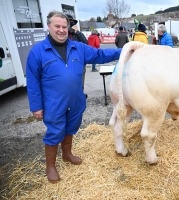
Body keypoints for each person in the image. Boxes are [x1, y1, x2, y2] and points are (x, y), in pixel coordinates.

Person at [26, 11, 122, 184]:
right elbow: (32, 81)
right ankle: (50, 166)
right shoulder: (38, 52)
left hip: (76, 100)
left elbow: (100, 55)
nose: (62, 30)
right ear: (49, 26)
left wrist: (124, 51)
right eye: (57, 26)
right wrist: (36, 106)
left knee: (71, 127)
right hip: (54, 102)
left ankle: (67, 154)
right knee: (55, 132)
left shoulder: (78, 47)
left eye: (64, 27)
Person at [67, 15, 89, 97]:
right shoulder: (63, 34)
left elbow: (86, 44)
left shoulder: (78, 34)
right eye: (69, 22)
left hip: (79, 61)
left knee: (80, 78)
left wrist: (77, 32)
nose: (71, 25)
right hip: (66, 61)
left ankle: (80, 93)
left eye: (72, 23)